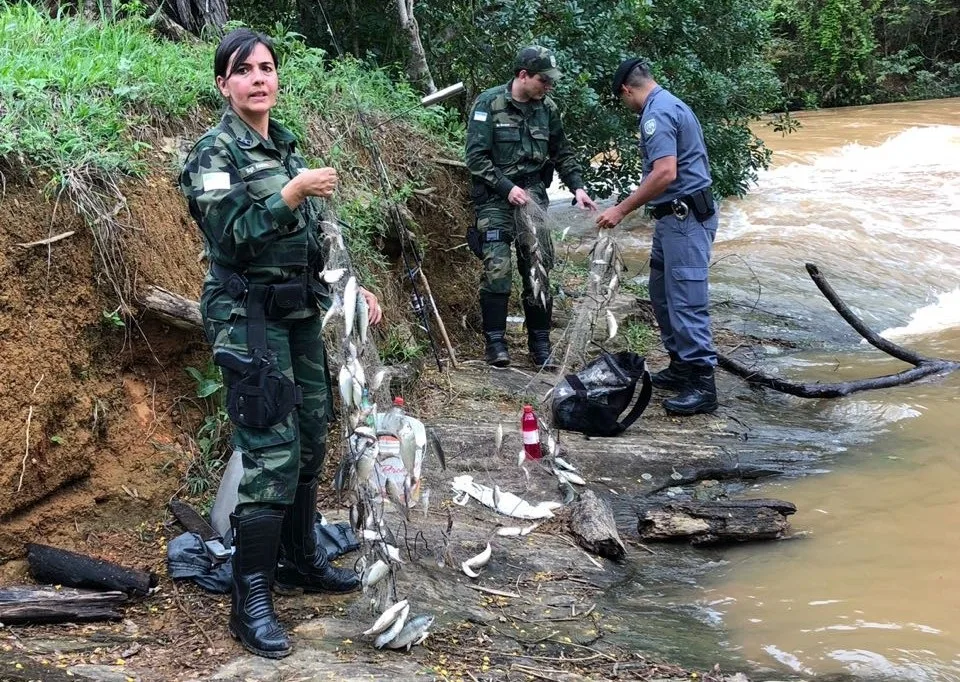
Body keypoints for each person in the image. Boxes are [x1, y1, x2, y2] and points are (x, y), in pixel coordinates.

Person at [179, 28, 382, 659]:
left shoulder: (285, 148)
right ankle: (252, 600)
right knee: (269, 449)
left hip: (299, 313)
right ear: (224, 84)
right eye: (245, 70)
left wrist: (355, 289)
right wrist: (290, 194)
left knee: (313, 435)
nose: (259, 78)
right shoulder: (213, 154)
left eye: (267, 68)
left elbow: (318, 239)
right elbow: (229, 233)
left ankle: (299, 559)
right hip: (249, 317)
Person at [596, 58, 719, 415]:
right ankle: (681, 366)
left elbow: (665, 172)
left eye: (623, 100)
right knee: (662, 294)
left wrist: (620, 209)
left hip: (686, 219)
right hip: (672, 219)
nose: (626, 106)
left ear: (626, 90)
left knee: (685, 298)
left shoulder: (657, 114)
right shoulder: (666, 105)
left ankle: (702, 382)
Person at [465, 45, 597, 368]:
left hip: (534, 196)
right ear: (523, 76)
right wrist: (506, 188)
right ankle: (495, 343)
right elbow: (475, 159)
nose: (548, 87)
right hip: (496, 197)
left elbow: (562, 152)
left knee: (538, 267)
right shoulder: (488, 104)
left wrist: (578, 186)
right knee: (497, 269)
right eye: (543, 80)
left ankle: (540, 343)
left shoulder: (547, 109)